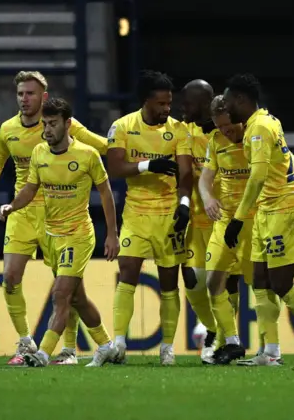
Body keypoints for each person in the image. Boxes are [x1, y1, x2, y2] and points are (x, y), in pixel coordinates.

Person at [0, 71, 108, 365]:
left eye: (30, 94)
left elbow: (102, 145)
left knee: (66, 289)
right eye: (20, 94)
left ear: (43, 97)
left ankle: (70, 350)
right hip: (22, 211)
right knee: (9, 277)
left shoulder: (59, 125)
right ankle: (25, 343)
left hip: (56, 211)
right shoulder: (8, 129)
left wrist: (134, 150)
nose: (24, 99)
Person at [223, 74, 294, 366]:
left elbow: (259, 176)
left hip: (284, 210)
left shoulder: (259, 127)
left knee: (281, 283)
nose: (225, 109)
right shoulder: (264, 121)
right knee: (260, 281)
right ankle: (270, 353)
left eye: (227, 102)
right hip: (266, 212)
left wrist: (237, 219)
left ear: (240, 99)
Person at [0, 98, 119, 367]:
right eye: (44, 124)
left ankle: (42, 354)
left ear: (68, 124)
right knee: (77, 298)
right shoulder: (40, 153)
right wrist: (11, 206)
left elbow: (106, 194)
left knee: (60, 294)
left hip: (78, 234)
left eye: (52, 124)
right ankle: (107, 346)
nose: (47, 129)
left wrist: (112, 234)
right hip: (52, 235)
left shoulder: (87, 155)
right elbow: (30, 189)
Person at [108, 70, 193, 366]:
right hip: (136, 213)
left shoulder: (179, 130)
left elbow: (185, 172)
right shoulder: (122, 126)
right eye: (160, 104)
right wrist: (148, 165)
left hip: (169, 216)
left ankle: (167, 347)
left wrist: (184, 203)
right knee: (127, 272)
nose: (166, 109)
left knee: (170, 283)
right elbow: (115, 168)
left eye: (169, 103)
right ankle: (118, 341)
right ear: (145, 101)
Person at [180, 79, 222, 364]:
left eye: (189, 102)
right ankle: (210, 327)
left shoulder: (226, 132)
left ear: (205, 103)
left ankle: (225, 340)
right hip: (196, 221)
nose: (184, 108)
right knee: (193, 281)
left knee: (221, 285)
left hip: (223, 218)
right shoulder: (184, 132)